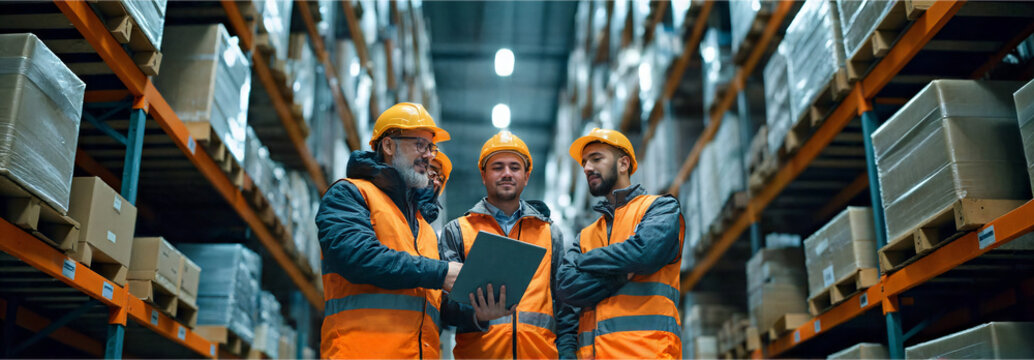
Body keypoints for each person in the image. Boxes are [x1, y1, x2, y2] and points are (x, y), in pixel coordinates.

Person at [317, 103, 509, 359]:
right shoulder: (350, 194)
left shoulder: (424, 230)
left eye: (431, 147)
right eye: (420, 144)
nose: (429, 155)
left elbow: (432, 304)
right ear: (388, 146)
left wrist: (477, 313)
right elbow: (357, 257)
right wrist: (441, 272)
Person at [439, 131, 579, 359]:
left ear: (526, 176)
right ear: (483, 175)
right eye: (497, 167)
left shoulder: (549, 233)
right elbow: (444, 308)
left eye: (514, 167)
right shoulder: (457, 231)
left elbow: (564, 305)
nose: (506, 174)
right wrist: (477, 315)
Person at [556, 128, 685, 359]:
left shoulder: (660, 208)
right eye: (584, 162)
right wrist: (619, 275)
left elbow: (644, 254)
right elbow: (565, 288)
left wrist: (583, 261)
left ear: (623, 164)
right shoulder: (586, 235)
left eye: (596, 159)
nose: (586, 168)